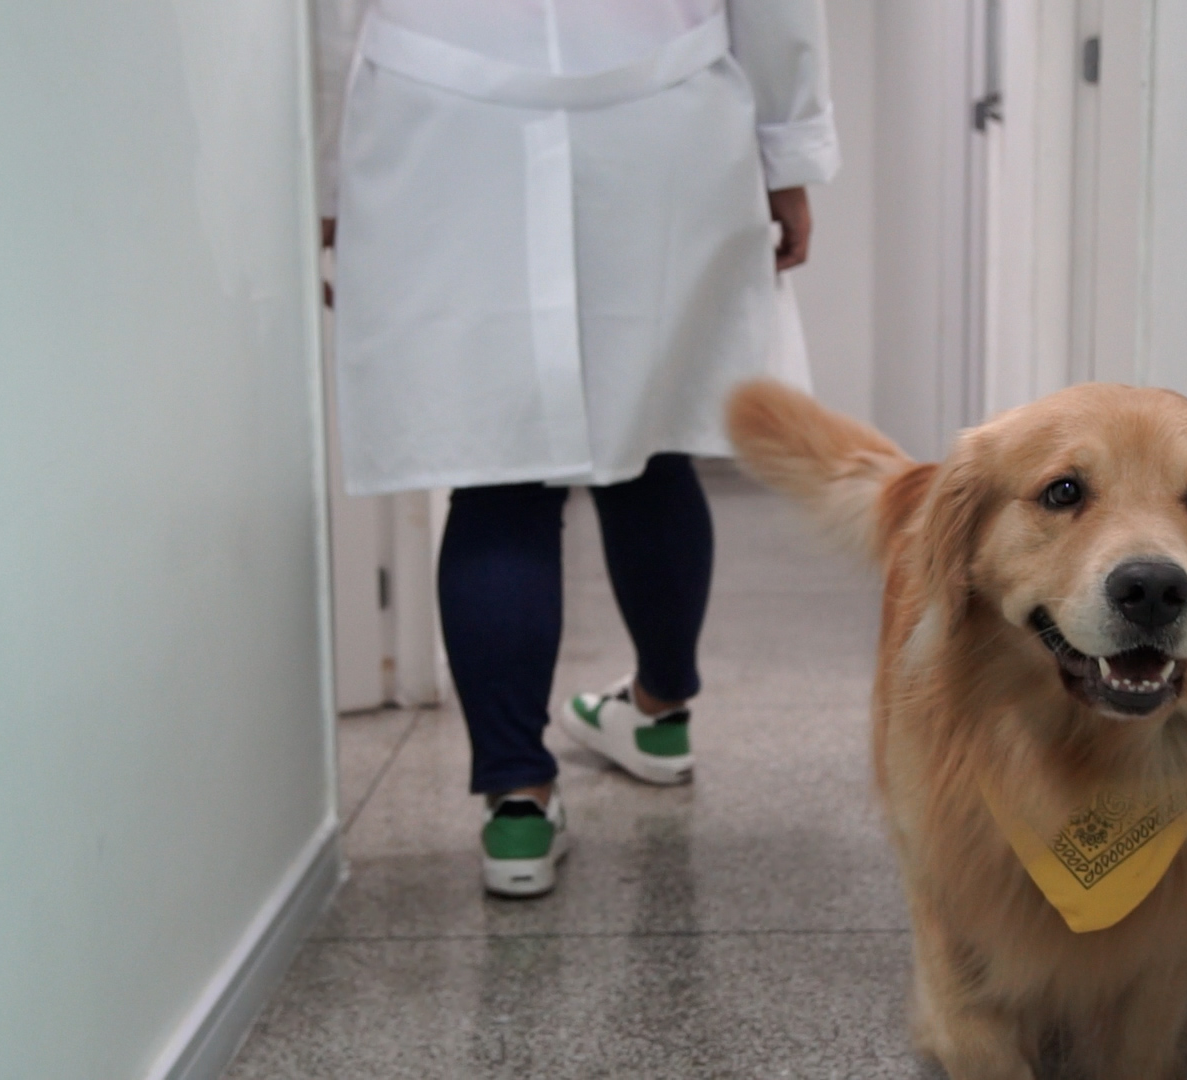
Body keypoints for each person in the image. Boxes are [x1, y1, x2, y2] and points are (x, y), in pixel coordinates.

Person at [313, 0, 839, 896]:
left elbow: (329, 16)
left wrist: (327, 177)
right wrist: (787, 151)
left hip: (447, 116)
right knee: (656, 440)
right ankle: (660, 714)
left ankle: (517, 805)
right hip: (658, 110)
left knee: (498, 476)